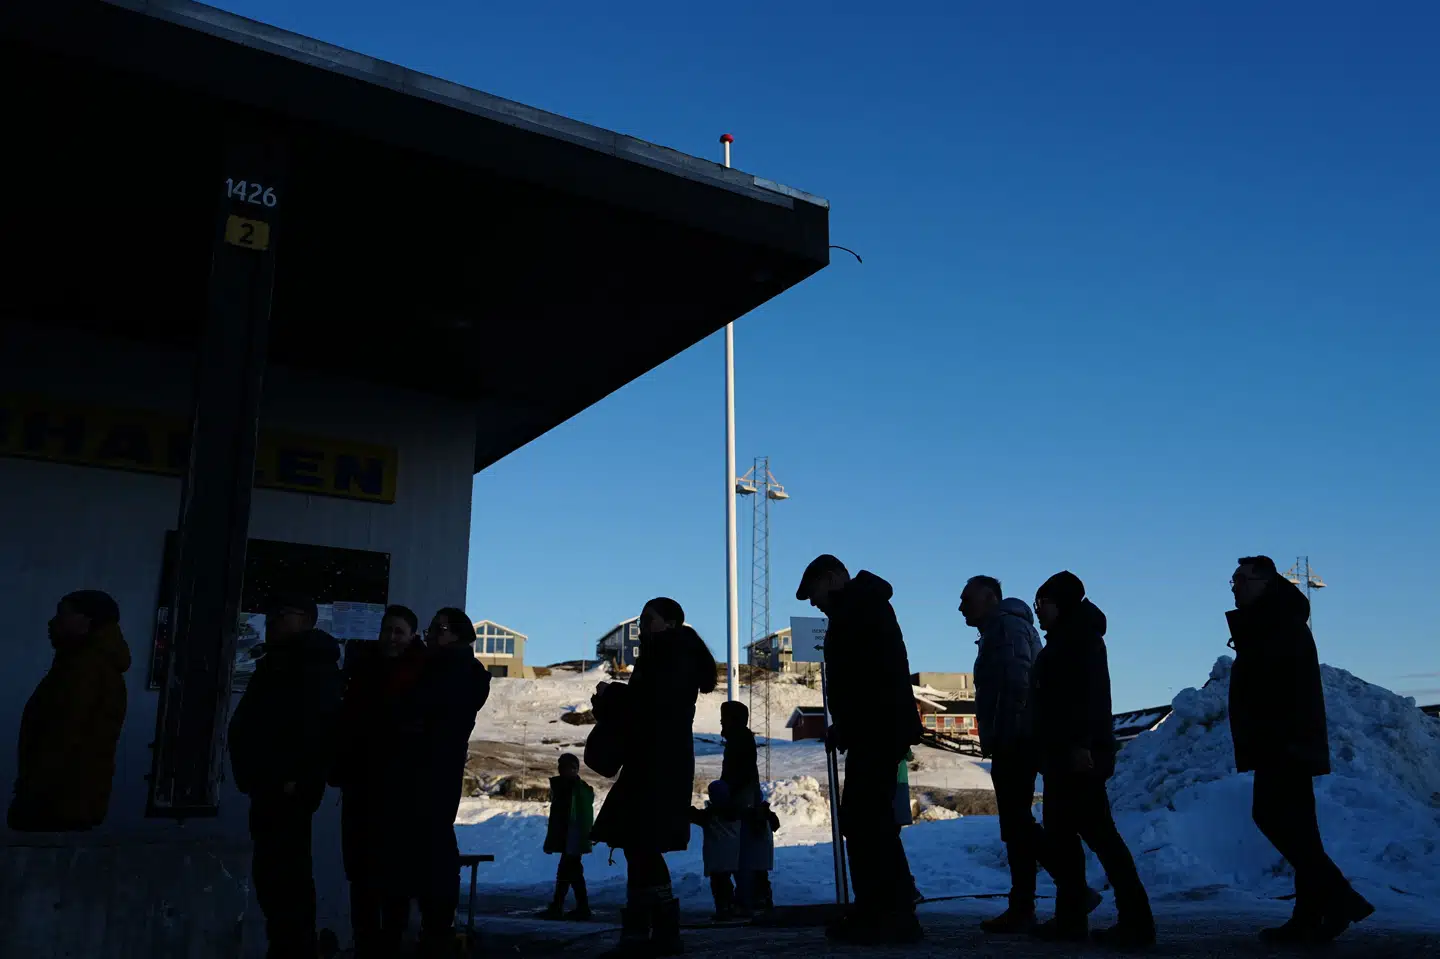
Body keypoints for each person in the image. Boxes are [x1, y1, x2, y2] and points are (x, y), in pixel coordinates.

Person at [1228, 556, 1373, 943]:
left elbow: (1279, 690)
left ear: (1265, 582)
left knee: (1271, 816)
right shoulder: (1274, 621)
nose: (1235, 587)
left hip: (1283, 743)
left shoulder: (1277, 624)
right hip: (1286, 741)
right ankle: (1308, 916)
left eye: (1241, 580)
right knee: (1301, 831)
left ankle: (1340, 898)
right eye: (1233, 581)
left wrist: (1280, 740)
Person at [796, 554, 924, 945]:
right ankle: (883, 907)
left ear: (831, 577)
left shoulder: (861, 609)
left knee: (867, 820)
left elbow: (870, 678)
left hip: (877, 729)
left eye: (814, 592)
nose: (814, 603)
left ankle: (887, 911)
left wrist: (851, 724)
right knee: (868, 819)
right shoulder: (858, 608)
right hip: (874, 728)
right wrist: (845, 726)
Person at [962, 575, 1100, 933]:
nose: (961, 607)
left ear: (990, 598)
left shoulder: (1006, 628)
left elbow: (1016, 682)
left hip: (1016, 740)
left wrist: (1007, 735)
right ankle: (1025, 904)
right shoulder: (1003, 629)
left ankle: (1069, 890)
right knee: (1016, 824)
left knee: (1017, 823)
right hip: (1015, 738)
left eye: (967, 599)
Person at [1030, 572, 1154, 948]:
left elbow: (1084, 697)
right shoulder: (1068, 638)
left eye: (1043, 604)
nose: (1038, 611)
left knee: (1100, 836)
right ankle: (1072, 918)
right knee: (1064, 837)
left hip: (1076, 756)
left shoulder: (1078, 640)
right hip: (1063, 754)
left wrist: (1081, 746)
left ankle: (1136, 922)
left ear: (1062, 604)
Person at [589, 597, 717, 957]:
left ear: (670, 623)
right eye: (641, 620)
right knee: (637, 844)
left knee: (642, 844)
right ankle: (647, 931)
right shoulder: (667, 654)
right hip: (655, 761)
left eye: (649, 619)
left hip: (658, 764)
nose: (642, 625)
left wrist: (612, 694)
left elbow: (651, 706)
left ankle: (657, 932)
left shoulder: (670, 656)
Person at [228, 593, 344, 959]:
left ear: (306, 619)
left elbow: (320, 729)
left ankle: (294, 948)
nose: (273, 620)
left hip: (286, 788)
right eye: (271, 614)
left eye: (283, 613)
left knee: (284, 875)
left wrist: (298, 779)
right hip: (269, 784)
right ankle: (288, 945)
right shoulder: (280, 662)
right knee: (273, 875)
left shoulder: (311, 665)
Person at [330, 605, 429, 957]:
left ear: (412, 636)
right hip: (361, 788)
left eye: (399, 631)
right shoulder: (362, 669)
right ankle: (366, 946)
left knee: (395, 878)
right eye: (387, 630)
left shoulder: (423, 675)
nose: (391, 637)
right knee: (362, 876)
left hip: (401, 792)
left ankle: (390, 946)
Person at [9, 590, 130, 832]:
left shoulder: (84, 668)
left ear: (87, 621)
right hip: (68, 799)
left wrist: (33, 793)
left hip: (58, 802)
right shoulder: (86, 664)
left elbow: (62, 734)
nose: (52, 622)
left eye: (62, 614)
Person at [410, 608, 492, 956]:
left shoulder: (450, 672)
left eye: (437, 629)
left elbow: (424, 713)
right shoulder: (453, 670)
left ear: (454, 635)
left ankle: (437, 928)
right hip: (438, 770)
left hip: (431, 770)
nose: (429, 634)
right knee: (435, 846)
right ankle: (437, 925)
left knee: (433, 848)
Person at [539, 753, 595, 921]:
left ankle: (572, 907)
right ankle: (566, 906)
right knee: (568, 872)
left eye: (564, 767)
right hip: (571, 839)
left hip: (572, 839)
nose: (560, 770)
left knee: (570, 872)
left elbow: (574, 818)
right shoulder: (572, 789)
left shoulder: (576, 790)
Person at [691, 780, 744, 920]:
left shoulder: (712, 813)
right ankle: (730, 906)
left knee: (719, 884)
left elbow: (695, 816)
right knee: (725, 881)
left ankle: (724, 909)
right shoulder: (735, 811)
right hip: (732, 853)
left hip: (717, 854)